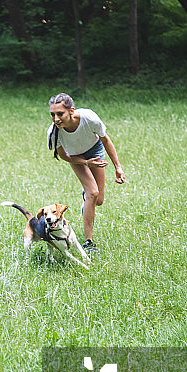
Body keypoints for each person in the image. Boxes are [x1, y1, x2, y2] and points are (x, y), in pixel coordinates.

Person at [47, 93, 125, 254]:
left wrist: (118, 167)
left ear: (71, 111)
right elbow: (63, 155)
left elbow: (106, 141)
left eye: (60, 114)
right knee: (93, 192)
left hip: (95, 150)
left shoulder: (90, 119)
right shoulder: (54, 132)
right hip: (75, 157)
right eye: (52, 114)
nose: (56, 119)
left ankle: (87, 200)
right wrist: (85, 162)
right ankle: (88, 242)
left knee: (99, 200)